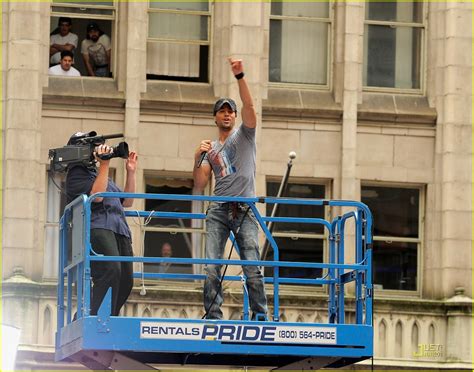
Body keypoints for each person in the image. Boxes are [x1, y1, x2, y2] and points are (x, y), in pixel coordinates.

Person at [193, 58, 268, 320]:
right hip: (218, 208)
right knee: (212, 265)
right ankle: (213, 315)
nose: (227, 114)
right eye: (222, 111)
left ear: (235, 116)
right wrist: (197, 157)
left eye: (230, 111)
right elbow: (200, 185)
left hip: (244, 206)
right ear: (215, 117)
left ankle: (261, 315)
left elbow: (249, 105)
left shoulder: (244, 134)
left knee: (252, 266)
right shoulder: (210, 148)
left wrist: (240, 76)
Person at [65, 132, 137, 316]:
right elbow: (98, 197)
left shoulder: (99, 174)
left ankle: (109, 316)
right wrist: (105, 164)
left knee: (126, 280)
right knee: (110, 271)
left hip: (119, 230)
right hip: (98, 227)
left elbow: (127, 201)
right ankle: (89, 314)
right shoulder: (75, 175)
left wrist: (131, 172)